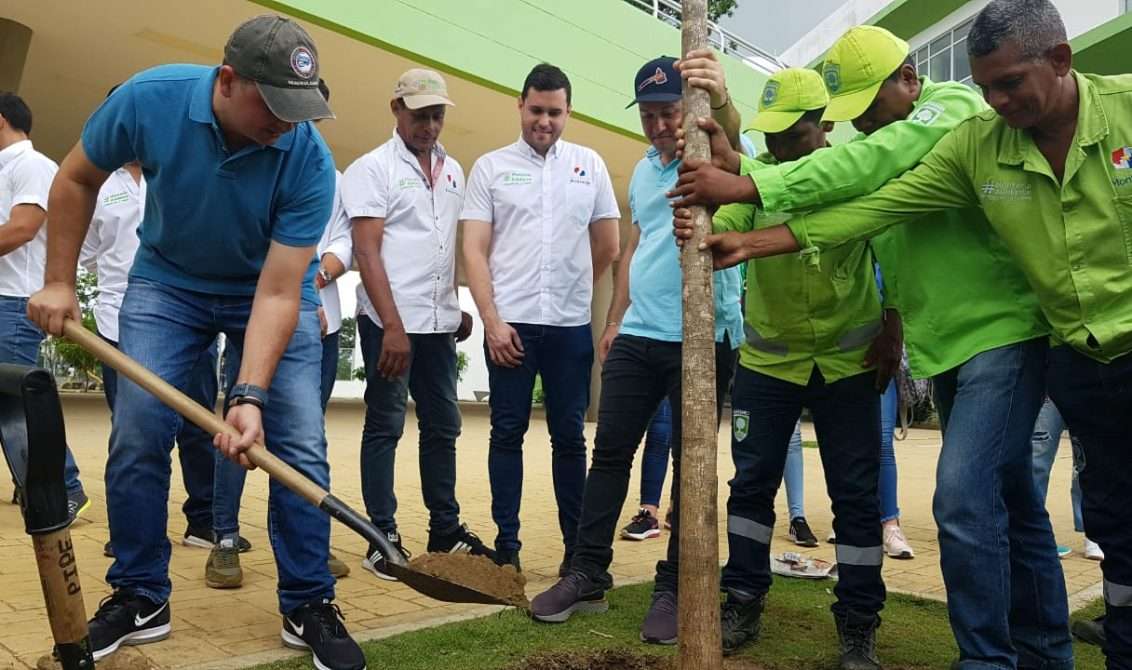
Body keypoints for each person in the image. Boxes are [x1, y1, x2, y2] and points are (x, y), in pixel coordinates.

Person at [672, 21, 1070, 670]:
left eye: (868, 111)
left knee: (961, 500)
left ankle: (973, 656)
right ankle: (1043, 655)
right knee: (1012, 505)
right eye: (851, 117)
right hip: (934, 350)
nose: (862, 128)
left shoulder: (953, 111)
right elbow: (864, 209)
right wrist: (743, 209)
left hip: (993, 336)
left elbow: (869, 172)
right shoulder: (883, 149)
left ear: (909, 81)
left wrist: (748, 182)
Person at [27, 15, 364, 670]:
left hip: (264, 289)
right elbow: (75, 179)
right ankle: (140, 593)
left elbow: (275, 294)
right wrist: (59, 283)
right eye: (273, 104)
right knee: (137, 430)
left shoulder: (308, 158)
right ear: (228, 79)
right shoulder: (150, 99)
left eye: (299, 109)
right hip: (168, 284)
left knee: (297, 441)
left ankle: (307, 601)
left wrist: (248, 394)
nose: (286, 122)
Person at [528, 53, 743, 646]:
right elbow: (637, 242)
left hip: (701, 336)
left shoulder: (715, 158)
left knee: (689, 469)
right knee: (610, 453)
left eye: (667, 112)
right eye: (647, 115)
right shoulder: (645, 169)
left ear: (689, 108)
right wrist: (615, 319)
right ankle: (587, 573)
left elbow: (746, 193)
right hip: (639, 333)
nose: (657, 126)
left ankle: (673, 586)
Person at [680, 67, 889, 666]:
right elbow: (731, 220)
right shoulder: (760, 178)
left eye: (791, 138)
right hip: (770, 366)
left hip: (849, 365)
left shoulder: (853, 174)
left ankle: (858, 621)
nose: (775, 151)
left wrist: (894, 323)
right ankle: (742, 598)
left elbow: (891, 248)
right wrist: (704, 225)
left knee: (855, 494)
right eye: (768, 138)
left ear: (824, 128)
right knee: (750, 486)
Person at [461, 63, 620, 571]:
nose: (544, 121)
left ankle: (577, 550)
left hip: (570, 328)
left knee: (569, 437)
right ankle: (507, 548)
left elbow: (610, 246)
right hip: (510, 327)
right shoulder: (490, 167)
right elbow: (475, 249)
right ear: (520, 106)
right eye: (536, 110)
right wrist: (491, 320)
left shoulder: (590, 165)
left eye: (554, 112)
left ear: (568, 111)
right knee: (506, 433)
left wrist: (574, 290)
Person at [342, 67, 494, 580]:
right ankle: (379, 535)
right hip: (390, 323)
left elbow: (444, 245)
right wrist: (392, 326)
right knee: (385, 423)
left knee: (443, 426)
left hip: (438, 323)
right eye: (420, 115)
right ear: (396, 110)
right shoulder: (372, 168)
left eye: (436, 115)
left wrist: (456, 306)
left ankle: (444, 529)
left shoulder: (454, 170)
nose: (429, 125)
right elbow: (366, 249)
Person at [78, 150, 249, 563]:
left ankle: (203, 520)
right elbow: (84, 251)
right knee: (133, 431)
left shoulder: (181, 167)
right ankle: (133, 531)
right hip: (118, 321)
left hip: (189, 315)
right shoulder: (101, 186)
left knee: (198, 422)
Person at [0, 92, 88, 517]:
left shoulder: (32, 165)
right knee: (10, 403)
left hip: (16, 303)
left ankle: (65, 487)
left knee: (20, 402)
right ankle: (34, 482)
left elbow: (22, 229)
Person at [1031, 398, 1102, 560]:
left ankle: (1093, 532)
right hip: (1048, 390)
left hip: (1084, 387)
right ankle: (1032, 533)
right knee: (1035, 463)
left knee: (1086, 461)